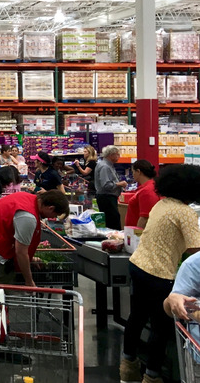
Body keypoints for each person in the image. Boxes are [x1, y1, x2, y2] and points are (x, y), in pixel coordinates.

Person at [120, 164, 200, 383]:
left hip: (138, 265)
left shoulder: (161, 204)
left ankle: (127, 367)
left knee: (136, 317)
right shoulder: (185, 213)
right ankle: (152, 376)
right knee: (160, 327)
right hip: (160, 274)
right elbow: (196, 251)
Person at [0, 190, 69, 286]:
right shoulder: (28, 217)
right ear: (50, 208)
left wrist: (30, 258)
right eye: (55, 215)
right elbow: (21, 252)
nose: (52, 218)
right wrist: (29, 281)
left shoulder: (27, 197)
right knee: (4, 291)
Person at [95, 145, 127, 230]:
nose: (119, 156)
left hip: (108, 198)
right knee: (113, 223)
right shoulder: (105, 167)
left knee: (113, 220)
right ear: (111, 155)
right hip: (107, 198)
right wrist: (119, 184)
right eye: (117, 154)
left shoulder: (108, 165)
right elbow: (105, 185)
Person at [124, 159, 159, 229]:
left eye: (133, 172)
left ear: (138, 172)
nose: (133, 175)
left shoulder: (147, 190)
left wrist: (137, 236)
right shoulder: (147, 187)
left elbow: (145, 218)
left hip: (138, 234)